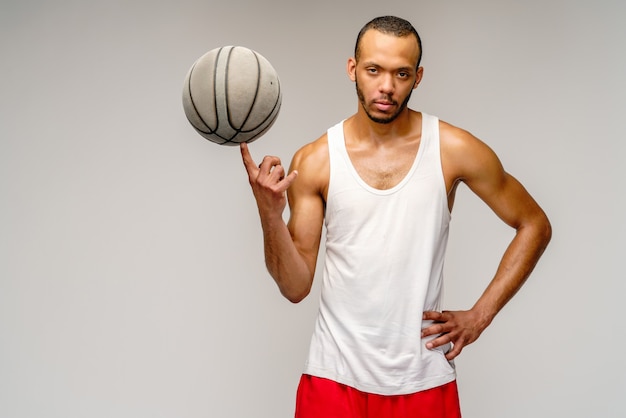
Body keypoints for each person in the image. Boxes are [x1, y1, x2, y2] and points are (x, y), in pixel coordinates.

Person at [240, 15, 551, 418]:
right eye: (374, 70)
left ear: (417, 77)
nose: (386, 86)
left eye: (400, 73)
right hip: (333, 379)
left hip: (422, 381)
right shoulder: (316, 161)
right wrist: (269, 214)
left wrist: (479, 315)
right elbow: (295, 285)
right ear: (353, 69)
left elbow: (535, 224)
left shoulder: (453, 149)